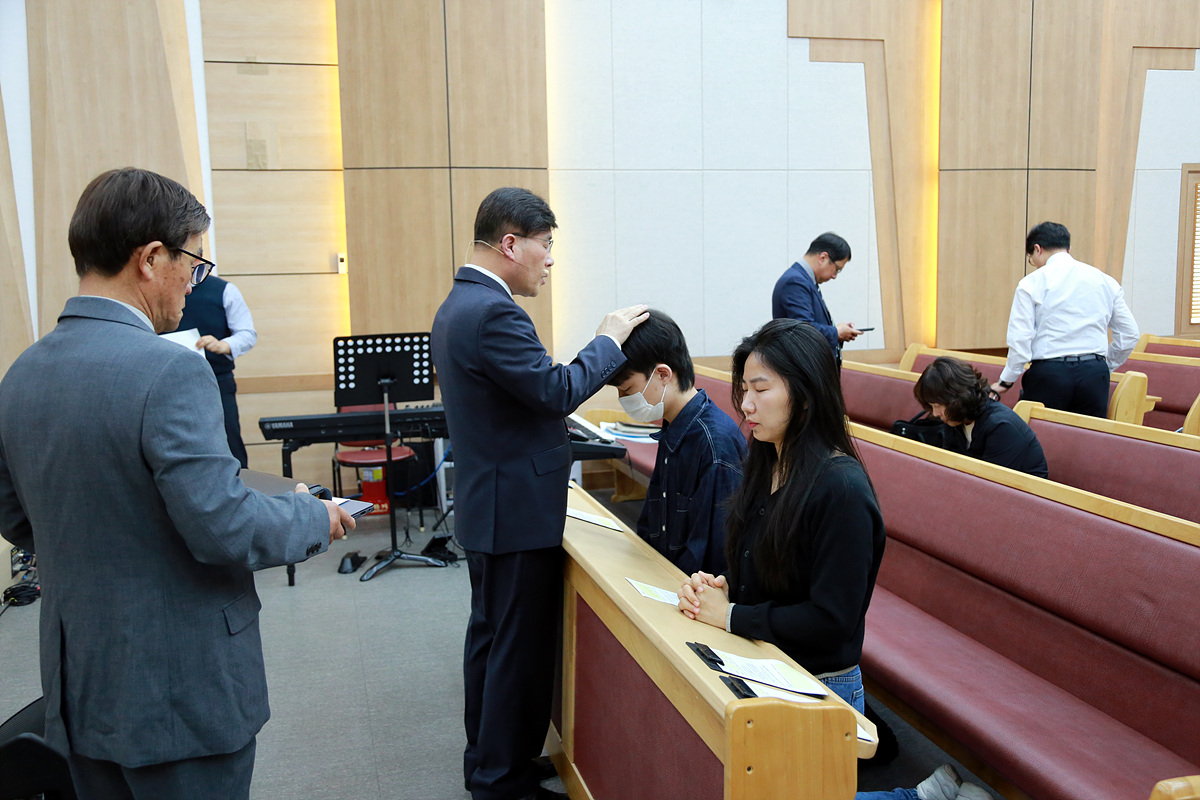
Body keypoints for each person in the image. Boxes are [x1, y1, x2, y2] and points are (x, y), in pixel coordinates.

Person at [0, 167, 354, 800]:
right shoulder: (171, 371)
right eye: (193, 263)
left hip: (79, 690)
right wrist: (312, 517)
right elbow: (224, 528)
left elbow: (15, 511)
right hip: (179, 695)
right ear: (150, 258)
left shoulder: (21, 374)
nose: (194, 282)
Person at [677, 320, 988, 800]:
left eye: (760, 389)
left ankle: (923, 797)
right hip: (766, 658)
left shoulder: (840, 488)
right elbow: (768, 566)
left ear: (805, 394)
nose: (746, 405)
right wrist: (722, 589)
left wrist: (733, 615)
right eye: (744, 390)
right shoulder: (767, 459)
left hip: (816, 679)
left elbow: (832, 620)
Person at [430, 186, 647, 800]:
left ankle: (491, 763)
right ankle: (502, 783)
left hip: (492, 503)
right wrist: (607, 340)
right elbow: (555, 392)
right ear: (510, 244)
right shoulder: (494, 312)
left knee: (491, 642)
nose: (550, 259)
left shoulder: (459, 304)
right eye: (545, 245)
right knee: (514, 652)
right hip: (515, 510)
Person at [606, 309, 746, 575]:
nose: (623, 399)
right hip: (665, 574)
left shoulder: (714, 445)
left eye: (627, 389)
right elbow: (653, 520)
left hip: (692, 588)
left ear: (662, 374)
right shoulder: (674, 422)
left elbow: (713, 560)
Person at [992, 221, 1139, 417]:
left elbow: (1021, 340)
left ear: (1037, 249)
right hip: (1094, 374)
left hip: (1050, 374)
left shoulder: (1031, 283)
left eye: (1031, 259)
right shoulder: (1105, 281)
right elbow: (1130, 335)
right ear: (1068, 248)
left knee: (1042, 433)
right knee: (1089, 434)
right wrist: (1105, 365)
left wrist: (1006, 381)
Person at [915, 357, 1048, 478]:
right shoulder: (955, 419)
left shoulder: (1001, 426)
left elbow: (991, 484)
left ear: (958, 399)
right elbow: (952, 468)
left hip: (1025, 494)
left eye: (938, 405)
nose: (935, 413)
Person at [177, 273, 257, 468]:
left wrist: (223, 345)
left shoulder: (224, 290)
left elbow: (247, 334)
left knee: (229, 445)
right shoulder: (157, 287)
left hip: (217, 382)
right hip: (171, 384)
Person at [772, 232, 865, 364]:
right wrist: (836, 332)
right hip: (803, 367)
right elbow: (804, 330)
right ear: (823, 258)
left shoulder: (804, 279)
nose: (834, 276)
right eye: (837, 269)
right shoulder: (795, 281)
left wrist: (839, 330)